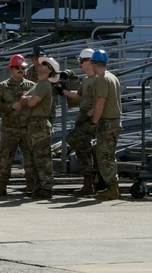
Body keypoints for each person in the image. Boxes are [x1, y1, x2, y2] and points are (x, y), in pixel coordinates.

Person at [12, 55, 58, 198]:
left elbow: (31, 102)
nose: (40, 65)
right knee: (35, 157)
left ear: (49, 70)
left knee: (42, 157)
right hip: (34, 124)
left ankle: (46, 187)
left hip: (40, 124)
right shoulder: (39, 84)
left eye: (45, 64)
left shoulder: (44, 84)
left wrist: (26, 99)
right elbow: (26, 98)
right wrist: (26, 99)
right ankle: (40, 186)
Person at [0, 53, 33, 197]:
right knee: (6, 159)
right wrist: (10, 106)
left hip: (27, 128)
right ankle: (1, 186)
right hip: (9, 128)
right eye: (17, 67)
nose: (20, 70)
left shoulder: (31, 86)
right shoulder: (3, 87)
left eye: (22, 67)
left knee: (30, 158)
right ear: (11, 69)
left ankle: (32, 186)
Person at [64, 48, 99, 196]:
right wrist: (62, 91)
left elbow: (100, 101)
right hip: (84, 116)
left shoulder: (98, 79)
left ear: (90, 62)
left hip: (90, 118)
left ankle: (90, 180)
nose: (80, 63)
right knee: (80, 147)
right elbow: (77, 97)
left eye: (82, 61)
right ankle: (89, 182)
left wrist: (89, 116)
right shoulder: (86, 80)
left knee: (75, 140)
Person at [89, 50, 122, 201]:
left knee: (105, 155)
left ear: (93, 63)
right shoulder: (112, 77)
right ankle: (110, 185)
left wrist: (94, 122)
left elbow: (100, 103)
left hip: (107, 122)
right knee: (108, 153)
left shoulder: (102, 79)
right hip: (114, 121)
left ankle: (112, 187)